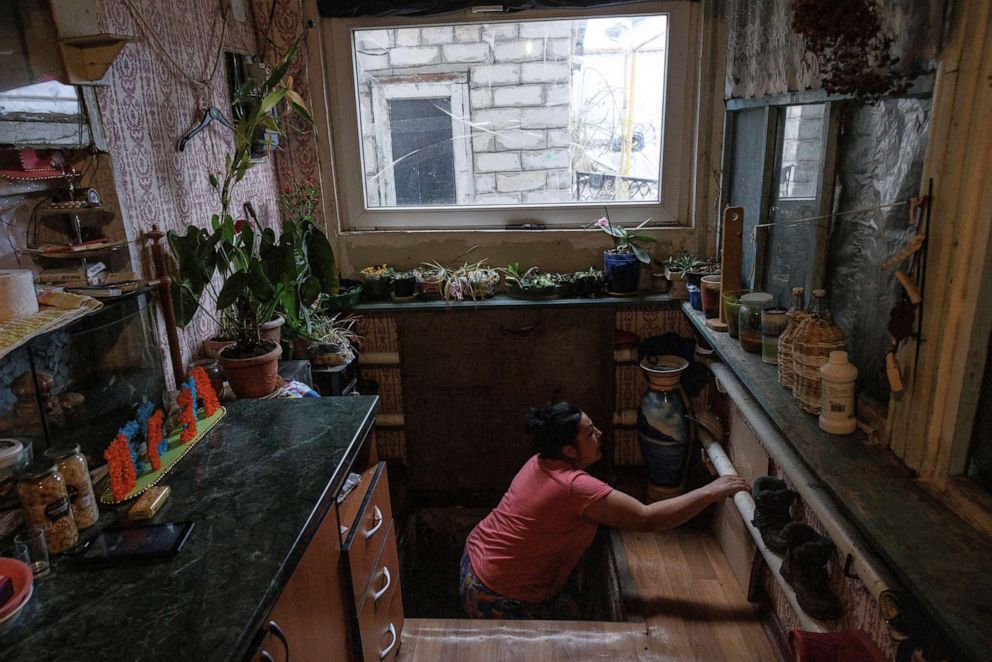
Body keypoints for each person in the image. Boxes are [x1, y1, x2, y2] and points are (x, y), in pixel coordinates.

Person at [460, 402, 748, 620]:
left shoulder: (539, 461)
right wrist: (713, 491)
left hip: (474, 566)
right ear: (569, 450)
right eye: (589, 433)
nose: (599, 434)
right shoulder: (574, 487)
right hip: (496, 596)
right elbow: (648, 519)